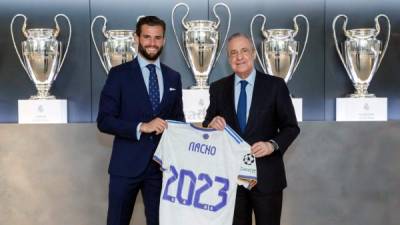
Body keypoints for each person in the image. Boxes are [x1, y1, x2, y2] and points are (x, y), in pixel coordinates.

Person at [202, 33, 300, 225]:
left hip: (267, 178)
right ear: (229, 59)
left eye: (244, 51)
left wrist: (272, 145)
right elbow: (207, 123)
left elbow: (291, 127)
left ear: (254, 54)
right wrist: (211, 124)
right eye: (233, 53)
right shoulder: (218, 88)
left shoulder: (275, 86)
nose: (239, 57)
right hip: (231, 181)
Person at [97, 16, 185, 225]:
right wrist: (141, 127)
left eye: (157, 38)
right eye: (147, 37)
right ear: (137, 38)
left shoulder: (174, 77)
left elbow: (178, 120)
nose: (152, 43)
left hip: (160, 168)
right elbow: (104, 120)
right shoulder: (118, 75)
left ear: (164, 40)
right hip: (125, 166)